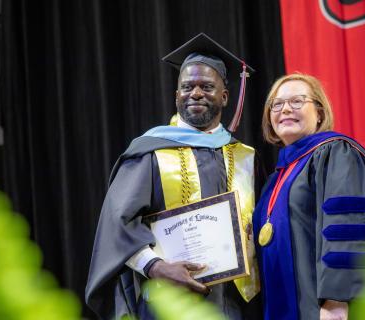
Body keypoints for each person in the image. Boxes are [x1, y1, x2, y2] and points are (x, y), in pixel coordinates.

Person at [85, 33, 262, 320]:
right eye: (187, 87)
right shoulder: (151, 150)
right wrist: (154, 266)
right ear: (176, 95)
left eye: (207, 86)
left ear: (225, 96)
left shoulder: (245, 156)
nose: (196, 93)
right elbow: (117, 223)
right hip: (170, 303)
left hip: (234, 305)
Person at [252, 72, 365, 320]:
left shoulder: (336, 153)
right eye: (277, 104)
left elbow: (348, 228)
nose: (285, 110)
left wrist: (337, 301)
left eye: (297, 101)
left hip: (328, 309)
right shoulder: (275, 180)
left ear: (320, 113)